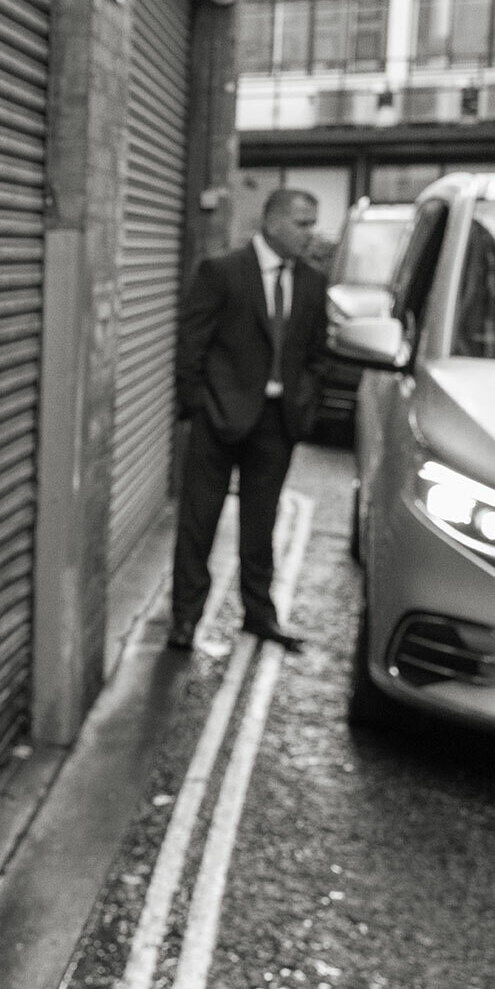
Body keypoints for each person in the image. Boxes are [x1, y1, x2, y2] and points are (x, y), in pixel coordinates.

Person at [168, 188, 326, 654]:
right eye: (302, 223)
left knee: (261, 526)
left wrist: (303, 401)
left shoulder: (313, 282)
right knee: (198, 524)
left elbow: (317, 353)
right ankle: (185, 619)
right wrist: (198, 407)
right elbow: (191, 345)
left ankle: (259, 615)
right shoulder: (222, 272)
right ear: (273, 222)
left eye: (312, 223)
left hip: (277, 423)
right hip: (218, 419)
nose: (310, 234)